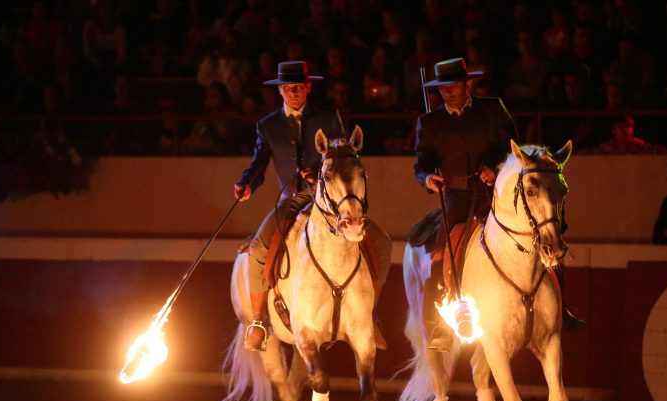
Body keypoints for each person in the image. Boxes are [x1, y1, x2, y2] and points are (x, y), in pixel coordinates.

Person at [414, 57, 584, 332]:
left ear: (468, 84)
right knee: (440, 249)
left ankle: (560, 308)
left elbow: (514, 150)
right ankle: (437, 321)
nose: (447, 91)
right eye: (442, 87)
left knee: (543, 232)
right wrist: (428, 178)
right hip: (456, 196)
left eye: (453, 85)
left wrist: (494, 168)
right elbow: (421, 163)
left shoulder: (492, 109)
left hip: (495, 193)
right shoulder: (429, 122)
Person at [234, 61, 392, 351]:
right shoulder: (268, 125)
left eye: (298, 87)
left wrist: (317, 173)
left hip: (329, 200)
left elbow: (342, 151)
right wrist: (246, 183)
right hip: (293, 200)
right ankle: (258, 320)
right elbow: (259, 163)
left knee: (382, 243)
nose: (293, 92)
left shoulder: (328, 116)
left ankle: (370, 316)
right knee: (258, 249)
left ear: (307, 87)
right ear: (280, 90)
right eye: (287, 88)